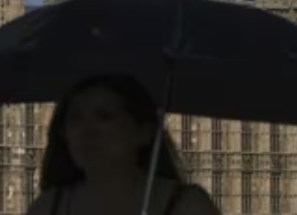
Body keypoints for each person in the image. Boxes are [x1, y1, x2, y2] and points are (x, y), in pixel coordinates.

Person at [26, 74, 222, 215]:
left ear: (144, 132)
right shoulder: (46, 207)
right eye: (75, 118)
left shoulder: (186, 206)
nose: (86, 130)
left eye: (104, 116)